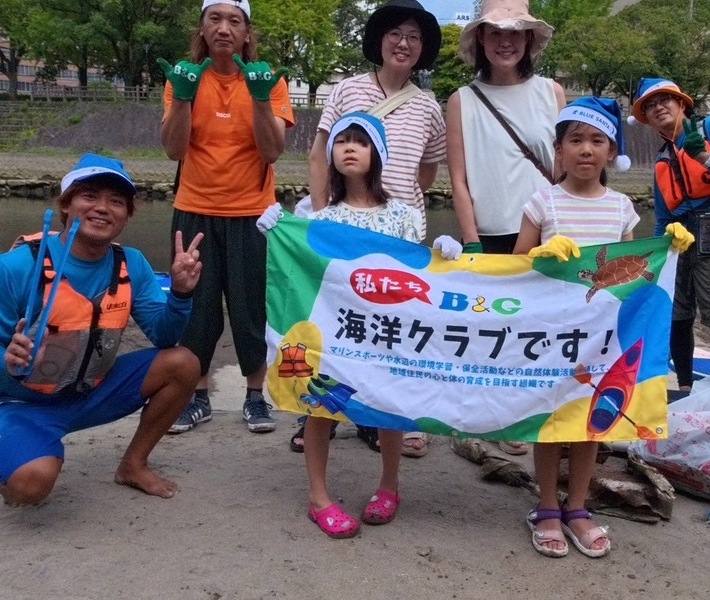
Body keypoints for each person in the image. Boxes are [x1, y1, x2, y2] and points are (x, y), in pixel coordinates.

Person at [257, 113, 462, 537]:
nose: (350, 147)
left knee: (389, 407)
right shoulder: (318, 220)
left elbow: (417, 272)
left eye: (361, 141)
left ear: (378, 154)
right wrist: (278, 234)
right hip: (335, 335)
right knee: (320, 408)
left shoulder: (403, 216)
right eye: (342, 140)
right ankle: (318, 496)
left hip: (386, 333)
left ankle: (389, 486)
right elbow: (301, 275)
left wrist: (442, 257)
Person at [514, 97, 692, 558]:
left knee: (590, 420)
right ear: (559, 150)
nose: (586, 149)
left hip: (601, 337)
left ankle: (577, 506)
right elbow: (515, 267)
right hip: (552, 335)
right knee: (552, 419)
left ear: (612, 152)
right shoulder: (543, 202)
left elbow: (634, 275)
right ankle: (546, 506)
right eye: (575, 140)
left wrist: (667, 250)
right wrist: (539, 257)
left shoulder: (621, 208)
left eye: (597, 141)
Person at [0, 154, 203, 506]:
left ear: (127, 215)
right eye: (89, 196)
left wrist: (182, 295)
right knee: (30, 487)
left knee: (183, 363)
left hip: (92, 392)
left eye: (116, 201)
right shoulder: (16, 266)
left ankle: (133, 465)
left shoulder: (132, 263)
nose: (102, 208)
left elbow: (164, 337)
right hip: (23, 402)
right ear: (66, 205)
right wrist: (9, 360)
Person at [302, 0, 445, 457]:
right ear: (379, 39)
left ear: (423, 48)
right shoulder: (346, 90)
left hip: (399, 231)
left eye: (414, 36)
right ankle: (319, 411)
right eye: (395, 33)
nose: (404, 43)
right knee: (335, 321)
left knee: (393, 327)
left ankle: (383, 414)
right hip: (343, 222)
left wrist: (399, 202)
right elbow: (319, 153)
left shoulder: (429, 106)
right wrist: (322, 217)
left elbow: (427, 170)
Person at [157, 0, 295, 434]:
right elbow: (174, 149)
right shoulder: (183, 76)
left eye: (234, 21)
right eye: (214, 19)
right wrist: (182, 96)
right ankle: (197, 396)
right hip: (194, 209)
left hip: (252, 213)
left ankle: (255, 396)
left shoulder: (270, 80)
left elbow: (272, 151)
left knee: (251, 307)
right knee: (197, 307)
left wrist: (259, 98)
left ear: (247, 33)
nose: (224, 28)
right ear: (201, 28)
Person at [446, 0, 565, 454]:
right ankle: (485, 415)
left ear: (529, 39)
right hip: (489, 233)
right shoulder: (461, 100)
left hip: (545, 233)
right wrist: (471, 240)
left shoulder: (551, 92)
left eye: (516, 32)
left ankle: (528, 416)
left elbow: (562, 171)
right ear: (480, 38)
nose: (505, 41)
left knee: (536, 331)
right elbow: (459, 179)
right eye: (495, 32)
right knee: (488, 332)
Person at [627, 77, 710, 391]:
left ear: (681, 103)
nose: (658, 108)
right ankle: (684, 387)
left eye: (664, 100)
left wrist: (703, 157)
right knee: (677, 319)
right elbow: (663, 217)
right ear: (646, 118)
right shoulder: (662, 158)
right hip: (678, 242)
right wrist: (658, 261)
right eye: (650, 106)